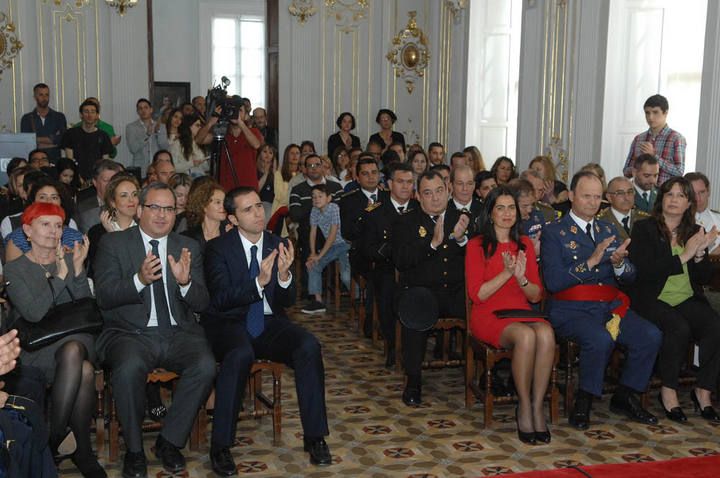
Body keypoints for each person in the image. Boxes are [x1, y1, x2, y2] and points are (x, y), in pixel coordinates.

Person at [202, 187, 332, 473]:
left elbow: (286, 301)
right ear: (233, 219)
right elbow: (220, 299)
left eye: (259, 206)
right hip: (230, 323)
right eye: (248, 209)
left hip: (269, 323)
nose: (258, 213)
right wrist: (258, 283)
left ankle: (315, 437)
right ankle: (221, 446)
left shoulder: (277, 243)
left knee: (308, 345)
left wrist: (284, 276)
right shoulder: (217, 249)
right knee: (239, 355)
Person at [93, 183, 216, 478]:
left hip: (178, 333)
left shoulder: (187, 247)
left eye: (169, 209)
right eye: (154, 207)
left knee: (205, 364)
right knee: (128, 367)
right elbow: (104, 296)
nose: (162, 215)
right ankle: (134, 450)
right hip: (129, 333)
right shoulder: (114, 244)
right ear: (139, 210)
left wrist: (186, 283)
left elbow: (203, 302)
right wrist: (138, 279)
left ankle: (169, 441)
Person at [541, 171, 662, 430]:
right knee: (599, 339)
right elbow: (553, 282)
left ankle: (625, 395)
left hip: (609, 306)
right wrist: (591, 262)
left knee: (650, 335)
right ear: (572, 196)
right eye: (586, 196)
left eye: (597, 197)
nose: (593, 202)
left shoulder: (608, 229)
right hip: (571, 309)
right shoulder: (554, 232)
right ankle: (584, 400)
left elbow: (630, 276)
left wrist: (619, 265)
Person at [4, 202, 104, 477]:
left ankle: (51, 440)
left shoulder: (71, 257)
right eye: (44, 225)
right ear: (27, 230)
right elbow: (34, 313)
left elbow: (85, 308)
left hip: (77, 340)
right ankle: (82, 450)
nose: (52, 231)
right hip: (39, 349)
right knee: (82, 368)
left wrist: (78, 269)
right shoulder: (15, 269)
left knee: (75, 350)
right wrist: (60, 276)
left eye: (58, 225)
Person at [466, 186, 555, 444]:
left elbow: (536, 295)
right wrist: (506, 274)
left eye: (511, 208)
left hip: (520, 310)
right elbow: (477, 295)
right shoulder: (477, 245)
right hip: (489, 314)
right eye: (500, 208)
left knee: (547, 334)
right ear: (490, 213)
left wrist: (521, 278)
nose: (506, 214)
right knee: (526, 337)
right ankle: (524, 406)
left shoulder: (524, 243)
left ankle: (538, 405)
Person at [628, 177, 720, 423]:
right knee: (678, 327)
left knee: (714, 325)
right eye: (670, 194)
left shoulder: (694, 231)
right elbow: (644, 272)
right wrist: (684, 255)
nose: (674, 200)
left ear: (689, 202)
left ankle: (703, 390)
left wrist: (700, 255)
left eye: (681, 195)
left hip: (686, 297)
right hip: (651, 297)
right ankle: (668, 392)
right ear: (662, 199)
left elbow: (702, 278)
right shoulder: (644, 229)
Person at [392, 170, 469, 406]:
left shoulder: (463, 218)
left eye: (439, 191)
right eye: (428, 193)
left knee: (484, 306)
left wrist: (461, 239)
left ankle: (489, 374)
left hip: (456, 291)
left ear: (447, 191)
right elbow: (401, 260)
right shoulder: (406, 221)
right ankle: (413, 379)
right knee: (416, 308)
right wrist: (432, 243)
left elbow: (481, 257)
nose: (435, 198)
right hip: (422, 291)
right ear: (418, 196)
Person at [360, 163, 417, 367]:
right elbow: (368, 248)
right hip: (386, 267)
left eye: (410, 182)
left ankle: (413, 346)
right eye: (400, 182)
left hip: (413, 268)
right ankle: (393, 344)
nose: (405, 187)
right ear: (390, 184)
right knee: (386, 291)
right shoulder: (375, 211)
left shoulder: (418, 209)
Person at [5, 177, 83, 263]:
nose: (49, 202)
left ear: (61, 203)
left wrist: (70, 260)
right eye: (42, 197)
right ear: (33, 202)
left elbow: (79, 274)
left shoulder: (75, 238)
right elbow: (14, 274)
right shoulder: (17, 239)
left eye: (54, 198)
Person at [302, 184, 351, 314]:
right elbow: (312, 232)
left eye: (320, 196)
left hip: (344, 244)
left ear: (329, 198)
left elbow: (333, 234)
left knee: (346, 276)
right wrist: (313, 254)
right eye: (313, 197)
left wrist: (319, 255)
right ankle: (318, 302)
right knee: (313, 265)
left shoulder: (333, 208)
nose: (316, 199)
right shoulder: (315, 211)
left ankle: (358, 295)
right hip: (331, 246)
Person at [623, 94, 686, 185]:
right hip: (639, 193)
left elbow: (679, 172)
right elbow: (626, 171)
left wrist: (654, 156)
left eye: (655, 112)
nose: (650, 117)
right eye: (647, 113)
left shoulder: (676, 138)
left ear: (665, 113)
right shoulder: (639, 139)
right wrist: (639, 169)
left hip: (664, 194)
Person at [86, 174, 140, 277]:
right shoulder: (97, 233)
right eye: (124, 195)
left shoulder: (145, 230)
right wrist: (112, 236)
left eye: (134, 194)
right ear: (113, 202)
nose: (131, 200)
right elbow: (98, 271)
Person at [61, 100, 113, 180]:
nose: (89, 115)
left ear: (97, 115)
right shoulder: (71, 134)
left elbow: (105, 162)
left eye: (93, 112)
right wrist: (76, 177)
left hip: (96, 179)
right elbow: (69, 160)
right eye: (86, 111)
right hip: (75, 177)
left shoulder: (103, 136)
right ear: (81, 115)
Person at [20, 83, 67, 161]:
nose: (44, 98)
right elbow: (27, 142)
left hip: (55, 162)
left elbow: (62, 140)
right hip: (34, 163)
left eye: (46, 95)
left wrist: (37, 140)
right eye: (41, 95)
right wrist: (52, 140)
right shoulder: (26, 119)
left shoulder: (59, 117)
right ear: (35, 97)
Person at [75, 159, 124, 233]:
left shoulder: (126, 204)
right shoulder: (83, 209)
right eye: (106, 180)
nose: (111, 184)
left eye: (115, 180)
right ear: (95, 182)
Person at [125, 98, 169, 175]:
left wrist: (158, 132)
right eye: (140, 108)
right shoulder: (131, 127)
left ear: (151, 110)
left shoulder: (161, 126)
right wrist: (147, 135)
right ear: (137, 111)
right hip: (141, 169)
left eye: (146, 107)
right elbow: (133, 149)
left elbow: (165, 147)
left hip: (158, 168)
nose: (143, 111)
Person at [598, 177, 650, 241]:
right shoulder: (600, 222)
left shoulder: (645, 219)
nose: (626, 197)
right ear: (609, 197)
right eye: (620, 193)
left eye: (630, 192)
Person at [182, 180, 228, 253]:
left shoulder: (230, 234)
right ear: (204, 206)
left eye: (225, 202)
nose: (223, 206)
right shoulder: (187, 237)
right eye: (217, 202)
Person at [686, 172, 720, 254]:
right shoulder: (676, 222)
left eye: (702, 192)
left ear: (708, 192)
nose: (698, 198)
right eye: (693, 194)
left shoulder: (718, 218)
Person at [448, 165, 482, 237]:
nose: (465, 188)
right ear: (451, 185)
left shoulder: (484, 210)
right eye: (460, 184)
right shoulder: (444, 211)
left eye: (469, 183)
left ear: (474, 185)